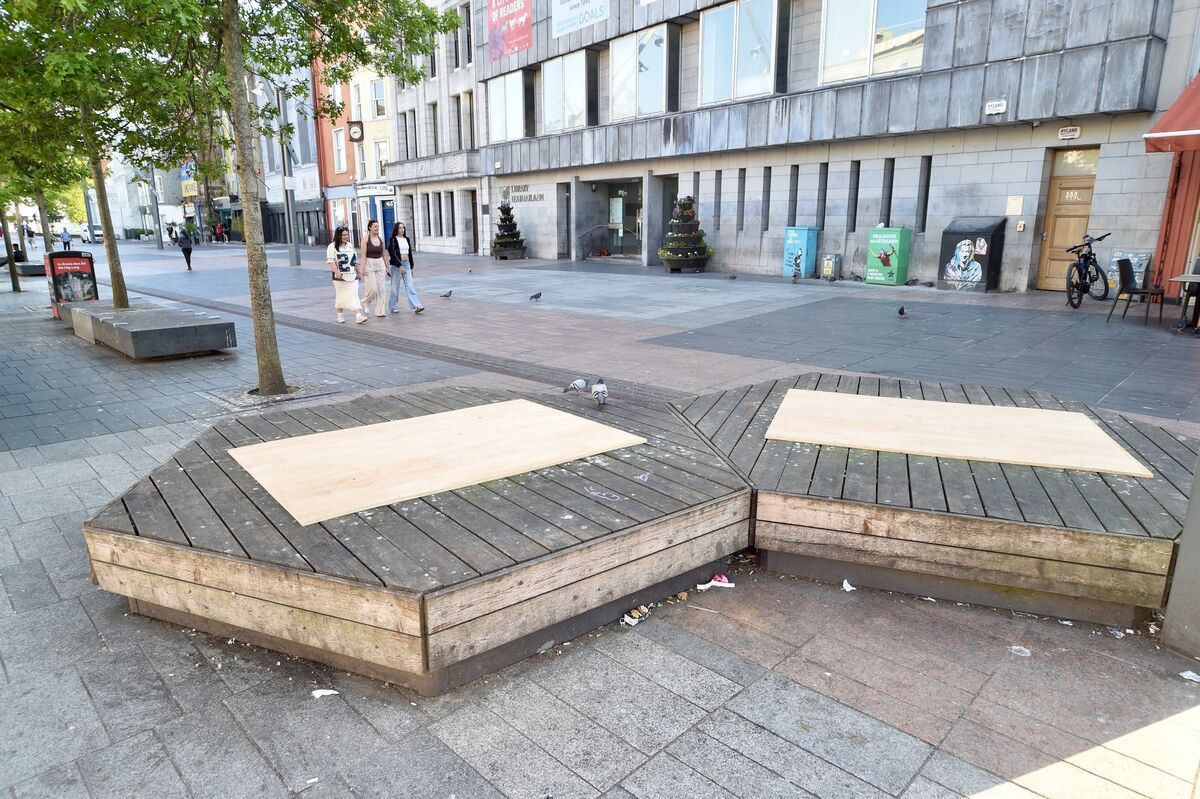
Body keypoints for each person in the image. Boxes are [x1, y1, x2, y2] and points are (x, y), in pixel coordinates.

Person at [326, 226, 367, 324]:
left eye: (346, 234)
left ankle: (358, 315)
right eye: (343, 235)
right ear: (338, 235)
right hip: (340, 278)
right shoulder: (332, 246)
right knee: (341, 296)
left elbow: (355, 260)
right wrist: (337, 272)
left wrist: (358, 272)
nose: (345, 236)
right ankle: (340, 315)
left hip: (352, 276)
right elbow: (331, 261)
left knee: (353, 295)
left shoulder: (350, 245)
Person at [387, 222, 424, 314]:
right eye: (400, 228)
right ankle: (393, 307)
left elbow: (410, 254)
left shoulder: (406, 239)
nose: (402, 230)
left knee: (410, 285)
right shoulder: (392, 240)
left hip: (406, 264)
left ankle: (416, 306)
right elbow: (392, 254)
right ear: (396, 229)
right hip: (396, 265)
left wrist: (411, 266)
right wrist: (399, 265)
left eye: (403, 228)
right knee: (394, 287)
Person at [359, 219, 389, 318]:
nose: (377, 228)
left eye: (378, 226)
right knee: (373, 289)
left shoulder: (381, 239)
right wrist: (362, 268)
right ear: (370, 227)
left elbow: (384, 254)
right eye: (375, 226)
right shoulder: (365, 239)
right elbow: (363, 255)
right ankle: (366, 302)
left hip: (380, 263)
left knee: (381, 289)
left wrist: (387, 267)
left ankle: (380, 311)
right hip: (369, 263)